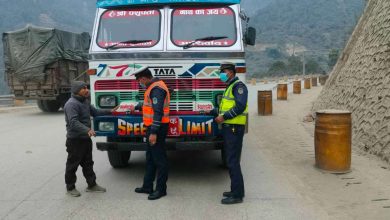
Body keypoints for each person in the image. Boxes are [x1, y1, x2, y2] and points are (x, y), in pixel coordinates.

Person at [64, 81, 118, 197]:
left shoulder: (85, 101)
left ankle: (92, 185)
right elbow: (73, 122)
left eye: (86, 87)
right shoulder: (71, 104)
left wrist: (110, 111)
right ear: (76, 90)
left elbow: (96, 112)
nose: (86, 89)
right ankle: (70, 187)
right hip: (75, 140)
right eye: (83, 88)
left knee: (88, 163)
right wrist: (87, 130)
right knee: (72, 164)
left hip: (85, 139)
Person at [207, 62, 248, 204]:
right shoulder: (230, 87)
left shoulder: (239, 87)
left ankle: (237, 195)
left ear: (230, 72)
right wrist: (213, 111)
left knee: (232, 161)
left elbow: (240, 106)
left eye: (223, 72)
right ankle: (235, 190)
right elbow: (226, 107)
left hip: (234, 128)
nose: (221, 75)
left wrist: (223, 117)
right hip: (230, 127)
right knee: (231, 160)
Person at [132, 68, 171, 200]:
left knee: (159, 159)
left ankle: (161, 189)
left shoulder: (156, 89)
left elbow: (158, 111)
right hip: (153, 127)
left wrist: (153, 132)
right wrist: (137, 107)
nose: (139, 83)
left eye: (139, 80)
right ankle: (147, 186)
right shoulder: (153, 87)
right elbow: (150, 106)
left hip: (157, 128)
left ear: (144, 78)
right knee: (150, 157)